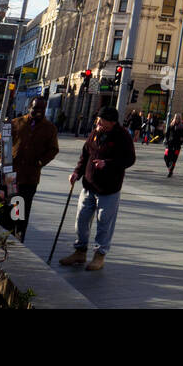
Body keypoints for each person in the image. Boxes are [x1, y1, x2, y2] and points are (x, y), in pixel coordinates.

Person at [59, 106, 136, 272]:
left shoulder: (122, 136)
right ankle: (80, 251)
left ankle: (99, 255)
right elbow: (85, 155)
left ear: (112, 122)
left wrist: (107, 164)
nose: (98, 123)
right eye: (98, 120)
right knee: (81, 220)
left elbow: (129, 159)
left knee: (104, 224)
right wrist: (76, 173)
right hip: (88, 185)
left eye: (102, 120)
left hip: (108, 189)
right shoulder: (95, 133)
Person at [9, 97, 60, 243]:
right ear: (29, 107)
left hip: (30, 176)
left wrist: (40, 162)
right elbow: (1, 141)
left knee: (23, 205)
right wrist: (6, 159)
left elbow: (53, 149)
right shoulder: (16, 123)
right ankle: (11, 230)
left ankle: (19, 233)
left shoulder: (49, 128)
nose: (39, 112)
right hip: (12, 173)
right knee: (12, 203)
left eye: (42, 109)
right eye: (36, 108)